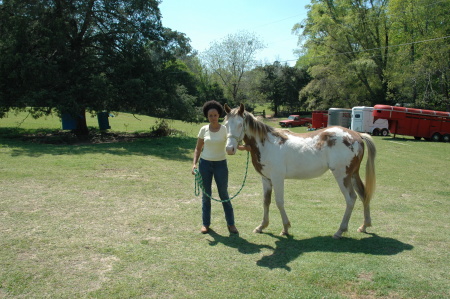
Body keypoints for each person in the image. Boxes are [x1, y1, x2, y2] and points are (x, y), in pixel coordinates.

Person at [192, 100, 250, 234]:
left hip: (220, 165)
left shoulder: (225, 129)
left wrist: (245, 148)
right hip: (205, 165)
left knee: (224, 194)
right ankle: (205, 224)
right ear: (207, 116)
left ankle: (231, 224)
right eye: (210, 115)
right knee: (206, 196)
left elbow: (231, 143)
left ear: (219, 116)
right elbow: (198, 148)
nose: (213, 118)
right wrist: (194, 164)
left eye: (215, 115)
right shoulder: (203, 129)